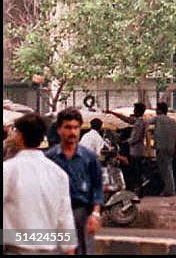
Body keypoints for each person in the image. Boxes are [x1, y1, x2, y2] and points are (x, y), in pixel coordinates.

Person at [3, 112, 77, 256]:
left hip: (15, 247)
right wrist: (69, 249)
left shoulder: (8, 170)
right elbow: (65, 217)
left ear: (20, 136)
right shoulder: (58, 174)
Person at [46, 107, 103, 256]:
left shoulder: (89, 157)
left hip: (81, 212)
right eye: (68, 127)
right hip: (56, 215)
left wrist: (95, 214)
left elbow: (97, 187)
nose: (72, 132)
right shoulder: (50, 158)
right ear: (59, 130)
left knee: (83, 250)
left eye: (76, 127)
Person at [108, 101, 149, 189]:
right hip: (137, 150)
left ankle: (138, 189)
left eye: (135, 110)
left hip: (136, 150)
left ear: (137, 111)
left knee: (136, 171)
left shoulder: (139, 123)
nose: (133, 111)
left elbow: (135, 138)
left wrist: (125, 142)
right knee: (136, 170)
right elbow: (127, 119)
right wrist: (113, 113)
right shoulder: (139, 121)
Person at [151, 101, 176, 197]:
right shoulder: (172, 121)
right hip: (170, 148)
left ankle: (170, 190)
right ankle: (170, 189)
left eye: (156, 109)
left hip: (161, 148)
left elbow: (145, 122)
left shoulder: (158, 118)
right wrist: (175, 148)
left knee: (164, 170)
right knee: (168, 168)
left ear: (159, 110)